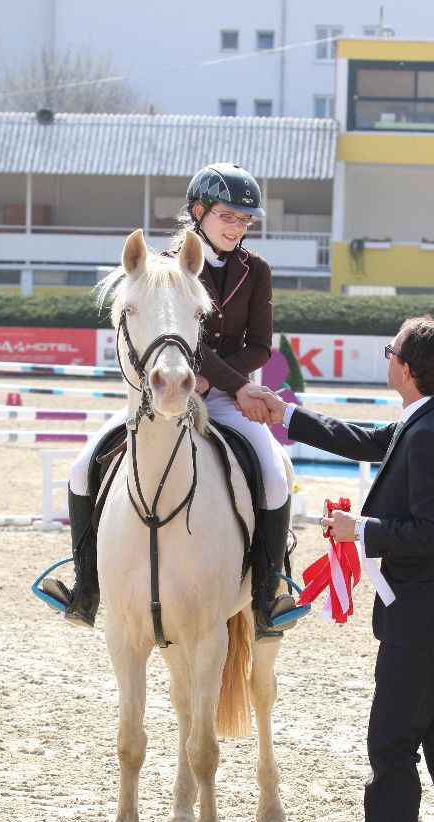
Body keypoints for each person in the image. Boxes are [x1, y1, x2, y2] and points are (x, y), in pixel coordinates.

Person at [244, 316, 434, 822]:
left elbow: (431, 532)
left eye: (390, 353)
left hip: (424, 618)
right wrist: (287, 415)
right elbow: (363, 439)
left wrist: (364, 531)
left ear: (406, 367)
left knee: (392, 750)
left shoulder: (430, 433)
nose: (386, 361)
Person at [42, 162, 298, 639]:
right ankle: (86, 587)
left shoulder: (256, 270)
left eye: (244, 220)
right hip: (161, 393)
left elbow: (261, 346)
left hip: (226, 400)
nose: (236, 226)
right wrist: (193, 378)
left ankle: (266, 597)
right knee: (81, 468)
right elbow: (172, 338)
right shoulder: (162, 267)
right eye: (228, 215)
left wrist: (219, 383)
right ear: (198, 211)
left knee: (274, 478)